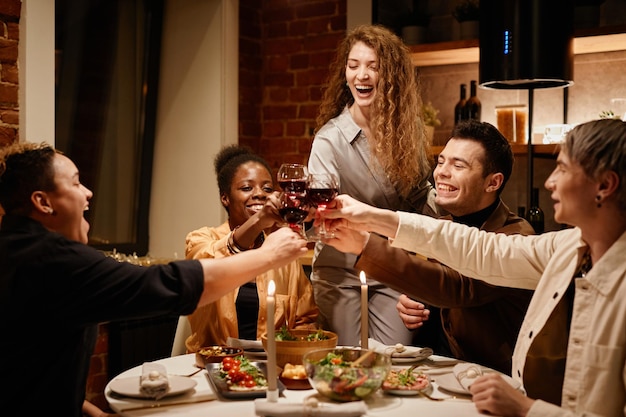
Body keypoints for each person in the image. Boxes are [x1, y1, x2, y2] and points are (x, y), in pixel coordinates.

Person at [320, 118, 626, 416]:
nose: (549, 182)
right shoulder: (569, 248)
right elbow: (476, 248)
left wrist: (527, 410)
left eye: (562, 168)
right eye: (441, 162)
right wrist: (372, 219)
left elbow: (459, 283)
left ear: (605, 185)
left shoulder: (526, 233)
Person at [0, 142, 307, 417]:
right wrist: (268, 255)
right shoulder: (56, 261)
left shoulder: (16, 251)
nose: (88, 192)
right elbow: (168, 284)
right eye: (76, 182)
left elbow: (33, 364)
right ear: (43, 202)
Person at [324, 120, 534, 374]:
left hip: (492, 379)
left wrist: (364, 244)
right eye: (441, 161)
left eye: (458, 165)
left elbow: (458, 287)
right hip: (436, 371)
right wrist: (417, 309)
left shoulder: (516, 237)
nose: (441, 172)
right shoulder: (442, 224)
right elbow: (434, 288)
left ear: (493, 182)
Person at [307, 23, 438, 346]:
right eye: (353, 66)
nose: (361, 75)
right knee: (351, 361)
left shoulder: (409, 134)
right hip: (340, 275)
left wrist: (456, 214)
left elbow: (423, 200)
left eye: (372, 67)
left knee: (397, 358)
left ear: (391, 77)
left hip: (393, 270)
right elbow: (320, 210)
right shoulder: (328, 139)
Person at [183, 145, 318, 351]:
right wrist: (260, 220)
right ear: (225, 197)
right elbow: (208, 265)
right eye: (247, 188)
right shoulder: (201, 239)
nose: (259, 194)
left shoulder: (282, 253)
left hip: (273, 368)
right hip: (214, 367)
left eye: (267, 188)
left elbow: (304, 320)